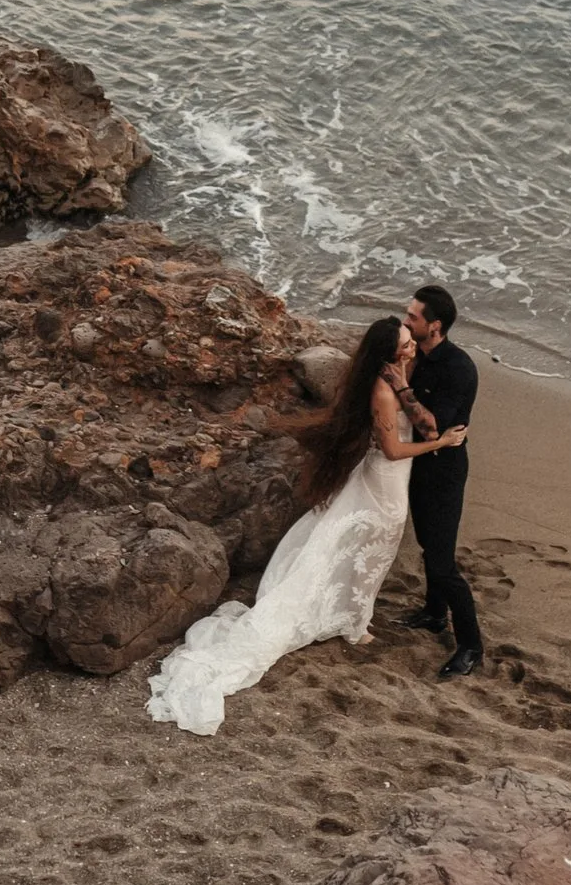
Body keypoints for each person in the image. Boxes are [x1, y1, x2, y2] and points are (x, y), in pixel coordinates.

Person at [145, 310, 464, 736]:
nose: (411, 345)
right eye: (405, 342)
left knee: (370, 550)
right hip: (383, 481)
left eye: (410, 338)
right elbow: (391, 451)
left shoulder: (395, 382)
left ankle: (355, 619)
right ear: (390, 354)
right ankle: (354, 623)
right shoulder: (383, 393)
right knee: (369, 546)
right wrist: (441, 442)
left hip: (386, 482)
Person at [401, 283, 482, 676]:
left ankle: (471, 646)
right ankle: (434, 613)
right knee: (426, 543)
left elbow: (435, 427)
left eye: (413, 316)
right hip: (416, 464)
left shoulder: (459, 368)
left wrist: (401, 386)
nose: (407, 319)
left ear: (434, 326)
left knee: (443, 561)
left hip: (445, 471)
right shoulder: (419, 356)